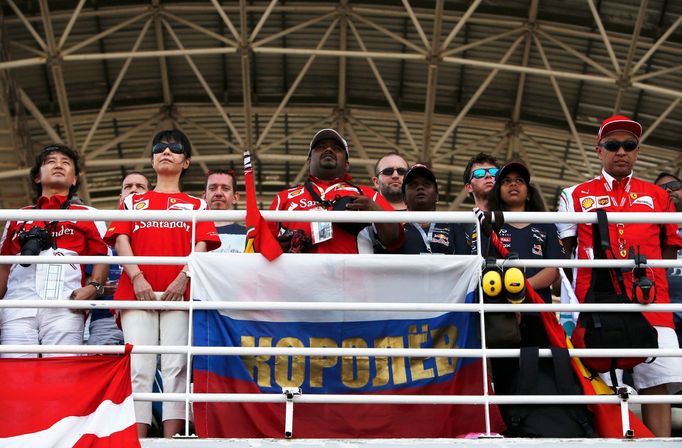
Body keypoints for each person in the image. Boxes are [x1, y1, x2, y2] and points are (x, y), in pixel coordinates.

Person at [557, 115, 682, 437]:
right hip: (599, 302)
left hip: (652, 302)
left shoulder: (658, 195)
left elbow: (670, 250)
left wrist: (652, 278)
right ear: (599, 151)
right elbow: (567, 253)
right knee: (607, 385)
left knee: (657, 385)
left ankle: (662, 446)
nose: (621, 151)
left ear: (637, 151)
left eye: (629, 145)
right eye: (613, 145)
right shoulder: (574, 194)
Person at [105, 130, 220, 438]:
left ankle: (173, 439)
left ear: (186, 161)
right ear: (152, 158)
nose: (166, 151)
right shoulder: (133, 201)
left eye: (175, 147)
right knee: (139, 366)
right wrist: (137, 277)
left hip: (180, 293)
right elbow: (121, 239)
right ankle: (137, 438)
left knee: (176, 366)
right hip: (135, 292)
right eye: (160, 147)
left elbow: (203, 245)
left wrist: (183, 278)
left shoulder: (197, 205)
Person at [0, 144, 108, 356]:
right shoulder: (17, 215)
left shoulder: (87, 213)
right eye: (50, 161)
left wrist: (93, 287)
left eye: (66, 163)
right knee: (15, 368)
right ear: (37, 177)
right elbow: (4, 265)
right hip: (17, 303)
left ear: (74, 179)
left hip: (66, 304)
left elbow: (102, 256)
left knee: (63, 369)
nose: (58, 165)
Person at [269, 128, 402, 254]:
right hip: (298, 276)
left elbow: (394, 239)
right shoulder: (283, 197)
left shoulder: (367, 194)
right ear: (308, 162)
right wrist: (278, 248)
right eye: (320, 147)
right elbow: (260, 247)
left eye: (337, 149)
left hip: (351, 276)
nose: (328, 149)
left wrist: (372, 208)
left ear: (347, 164)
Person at [487, 160, 562, 341]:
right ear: (499, 192)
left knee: (538, 366)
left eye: (519, 180)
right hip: (500, 314)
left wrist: (521, 288)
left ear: (528, 193)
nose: (513, 184)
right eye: (506, 181)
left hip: (538, 311)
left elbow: (553, 270)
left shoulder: (547, 225)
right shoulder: (489, 226)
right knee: (504, 368)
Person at [87, 171, 151, 346]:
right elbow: (83, 285)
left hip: (149, 315)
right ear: (121, 196)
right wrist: (99, 289)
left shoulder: (160, 239)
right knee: (99, 370)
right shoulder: (100, 239)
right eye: (128, 187)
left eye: (140, 187)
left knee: (156, 370)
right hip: (105, 319)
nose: (133, 190)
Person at [375, 164, 467, 254]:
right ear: (404, 198)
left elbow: (465, 264)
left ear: (437, 196)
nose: (420, 187)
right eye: (413, 185)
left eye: (426, 184)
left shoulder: (454, 226)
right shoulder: (394, 227)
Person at [654, 172, 682, 346]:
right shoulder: (648, 229)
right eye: (662, 189)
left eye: (674, 186)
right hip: (662, 318)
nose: (669, 191)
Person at [203, 169, 246, 253]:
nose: (218, 193)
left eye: (225, 188)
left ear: (235, 197)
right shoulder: (191, 232)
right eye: (212, 188)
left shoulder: (248, 235)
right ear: (204, 197)